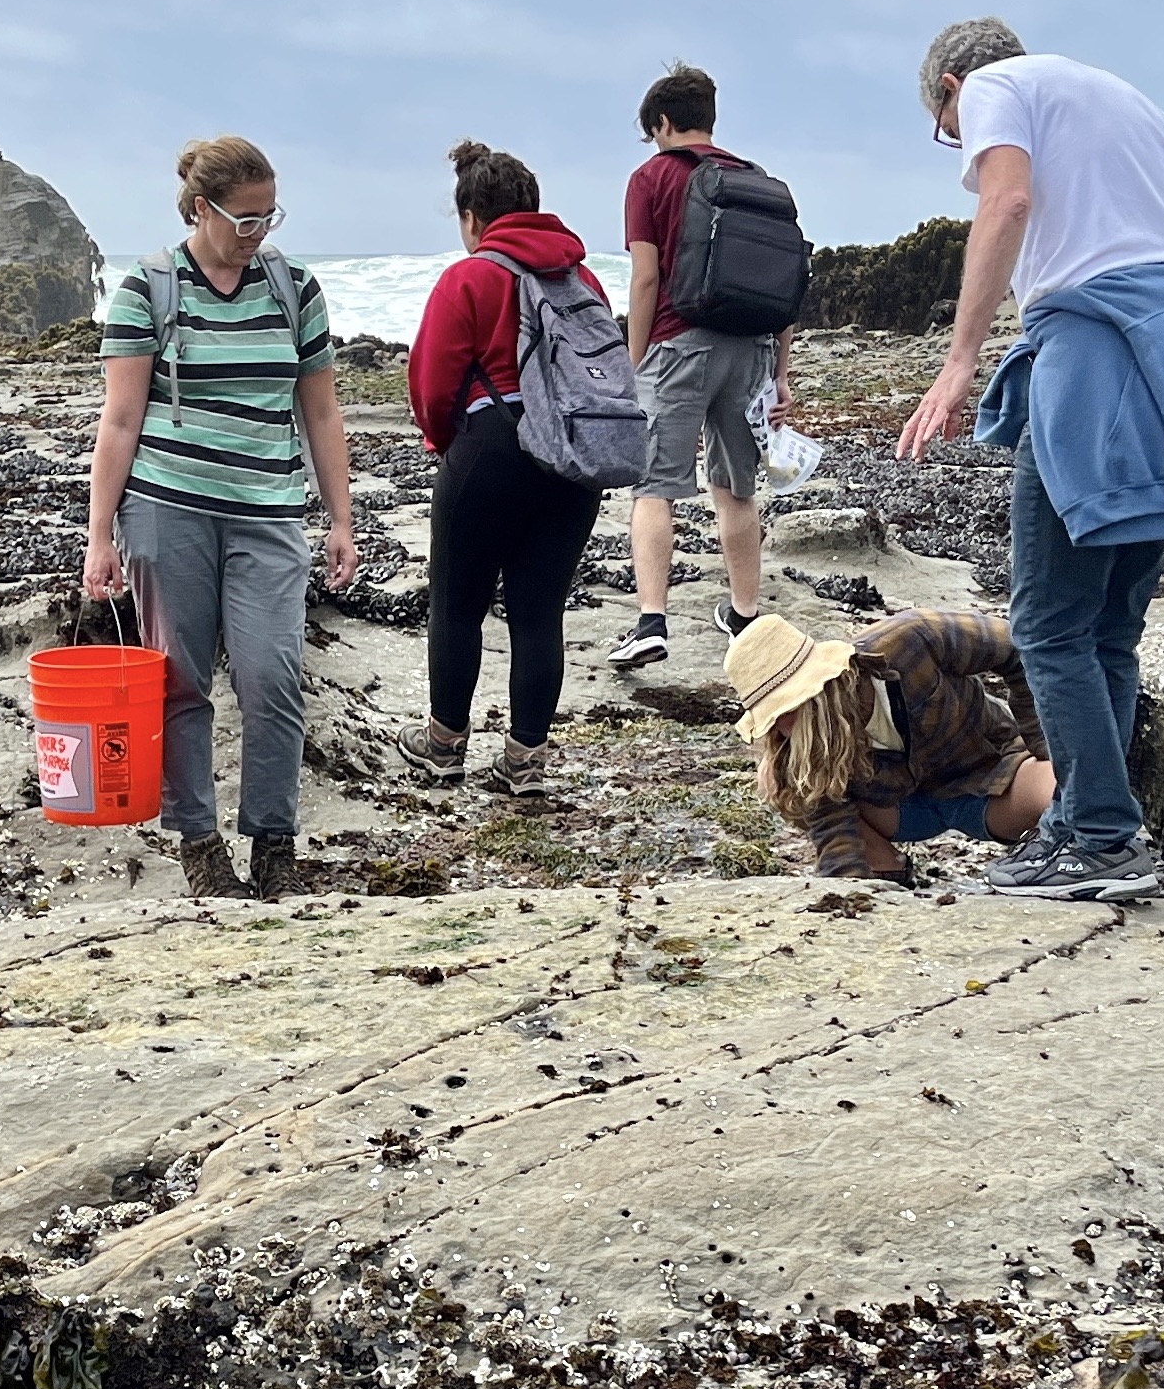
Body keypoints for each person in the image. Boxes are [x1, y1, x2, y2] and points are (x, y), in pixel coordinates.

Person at [896, 18, 1164, 903]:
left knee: (1050, 618)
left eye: (952, 139)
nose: (963, 146)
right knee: (1110, 628)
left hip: (1091, 358)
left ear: (951, 87)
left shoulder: (993, 88)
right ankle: (1082, 820)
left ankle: (1100, 837)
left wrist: (957, 363)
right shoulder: (1133, 100)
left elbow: (1009, 203)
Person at [82, 136, 358, 899]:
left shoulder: (295, 287)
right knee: (180, 683)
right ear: (200, 209)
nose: (259, 232)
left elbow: (323, 412)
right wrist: (100, 534)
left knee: (273, 678)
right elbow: (120, 420)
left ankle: (274, 843)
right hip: (168, 510)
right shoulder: (147, 289)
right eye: (244, 219)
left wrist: (341, 518)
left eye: (270, 217)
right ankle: (200, 845)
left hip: (269, 514)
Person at [397, 140, 608, 796]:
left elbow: (431, 385)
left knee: (457, 605)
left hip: (491, 450)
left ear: (471, 218)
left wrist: (446, 445)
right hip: (573, 461)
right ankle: (525, 762)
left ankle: (443, 746)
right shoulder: (583, 278)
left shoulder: (470, 276)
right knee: (540, 613)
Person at [610, 62, 793, 670]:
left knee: (655, 487)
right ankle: (744, 614)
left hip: (678, 344)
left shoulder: (651, 178)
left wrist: (636, 364)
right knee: (736, 488)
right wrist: (780, 372)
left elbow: (645, 278)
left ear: (661, 123)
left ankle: (651, 622)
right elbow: (784, 285)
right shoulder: (758, 182)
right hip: (752, 349)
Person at [726, 608, 1057, 880]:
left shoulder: (912, 639)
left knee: (1065, 783)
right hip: (899, 810)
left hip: (992, 778)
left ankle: (1074, 857)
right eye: (770, 719)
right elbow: (833, 828)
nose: (780, 728)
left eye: (783, 711)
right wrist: (850, 890)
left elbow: (1020, 647)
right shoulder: (790, 745)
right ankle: (889, 874)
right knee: (782, 780)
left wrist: (1042, 741)